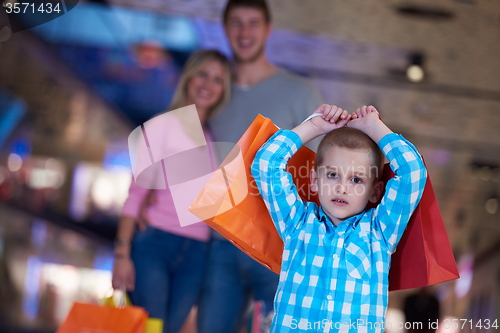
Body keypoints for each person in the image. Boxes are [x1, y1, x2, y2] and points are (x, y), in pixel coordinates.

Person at [197, 0, 323, 332]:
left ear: (268, 30)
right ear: (224, 30)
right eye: (236, 23)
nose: (245, 32)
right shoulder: (212, 93)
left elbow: (317, 173)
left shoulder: (300, 93)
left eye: (253, 23)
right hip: (220, 243)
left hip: (278, 245)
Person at [251, 105, 428, 332]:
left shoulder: (380, 232)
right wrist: (313, 126)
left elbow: (412, 171)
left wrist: (374, 127)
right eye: (333, 175)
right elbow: (267, 163)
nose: (342, 188)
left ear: (375, 191)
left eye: (356, 180)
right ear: (315, 180)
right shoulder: (297, 223)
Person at [111, 50, 231, 333]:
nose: (208, 84)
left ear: (224, 90)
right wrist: (121, 255)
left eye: (218, 79)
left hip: (197, 253)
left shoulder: (213, 137)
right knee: (152, 328)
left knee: (168, 330)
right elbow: (136, 195)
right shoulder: (161, 126)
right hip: (154, 246)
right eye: (203, 74)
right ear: (189, 78)